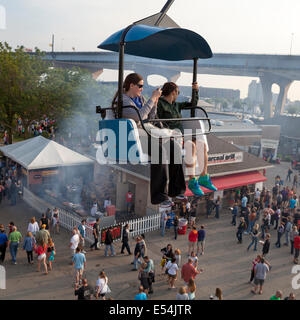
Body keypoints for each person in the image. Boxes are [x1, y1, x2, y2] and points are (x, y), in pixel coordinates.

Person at [117, 73, 183, 206]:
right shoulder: (124, 101)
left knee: (173, 147)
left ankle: (176, 190)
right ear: (131, 85)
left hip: (145, 130)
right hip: (132, 134)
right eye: (140, 86)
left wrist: (155, 103)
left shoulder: (140, 99)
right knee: (159, 151)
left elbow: (150, 117)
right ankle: (159, 196)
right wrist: (152, 98)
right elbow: (139, 117)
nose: (142, 89)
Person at [157, 81, 217, 196]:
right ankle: (192, 180)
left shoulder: (176, 105)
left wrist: (195, 91)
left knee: (202, 144)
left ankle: (204, 177)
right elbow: (156, 120)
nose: (178, 95)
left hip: (181, 135)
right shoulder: (160, 104)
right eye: (178, 92)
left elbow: (192, 104)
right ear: (173, 92)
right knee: (191, 146)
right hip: (170, 137)